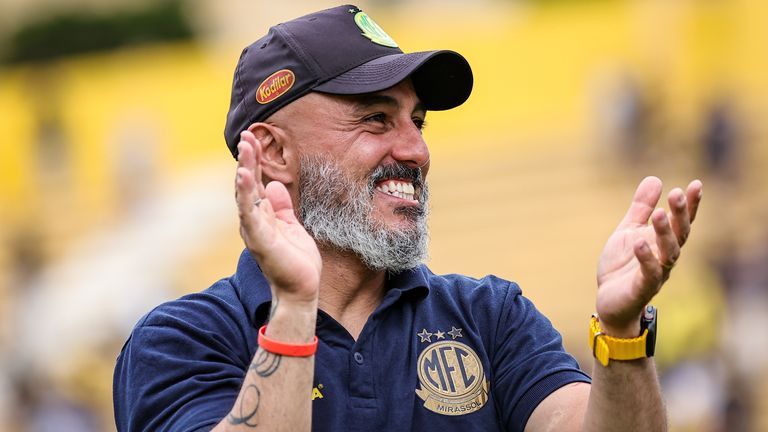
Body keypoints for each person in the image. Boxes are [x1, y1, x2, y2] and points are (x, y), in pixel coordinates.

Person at [113, 5, 703, 431]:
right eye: (374, 118)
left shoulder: (490, 317)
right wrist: (294, 309)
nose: (415, 151)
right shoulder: (180, 340)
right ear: (273, 153)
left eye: (417, 121)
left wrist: (622, 336)